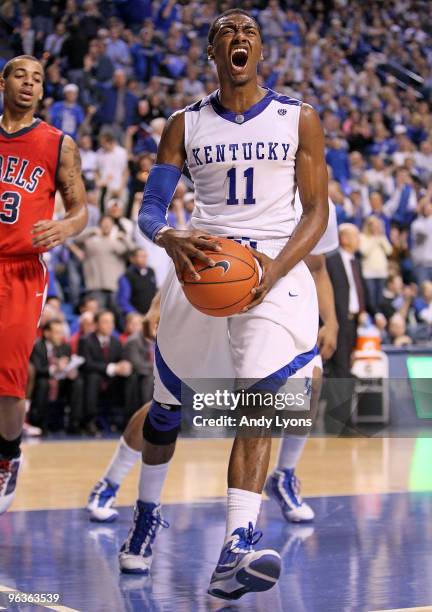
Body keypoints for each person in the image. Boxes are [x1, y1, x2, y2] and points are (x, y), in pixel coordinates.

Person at [119, 10, 328, 601]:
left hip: (271, 270)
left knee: (260, 399)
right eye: (227, 33)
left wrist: (276, 270)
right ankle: (143, 519)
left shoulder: (299, 118)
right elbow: (150, 212)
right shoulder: (183, 124)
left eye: (250, 32)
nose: (240, 38)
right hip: (202, 263)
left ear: (260, 50)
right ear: (212, 51)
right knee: (166, 410)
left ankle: (237, 544)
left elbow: (316, 213)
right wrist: (169, 237)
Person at [0, 55, 88, 513]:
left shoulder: (58, 144)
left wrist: (65, 229)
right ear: (3, 81)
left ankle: (7, 458)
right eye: (20, 75)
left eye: (37, 79)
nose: (29, 84)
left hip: (20, 269)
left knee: (9, 382)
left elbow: (80, 210)